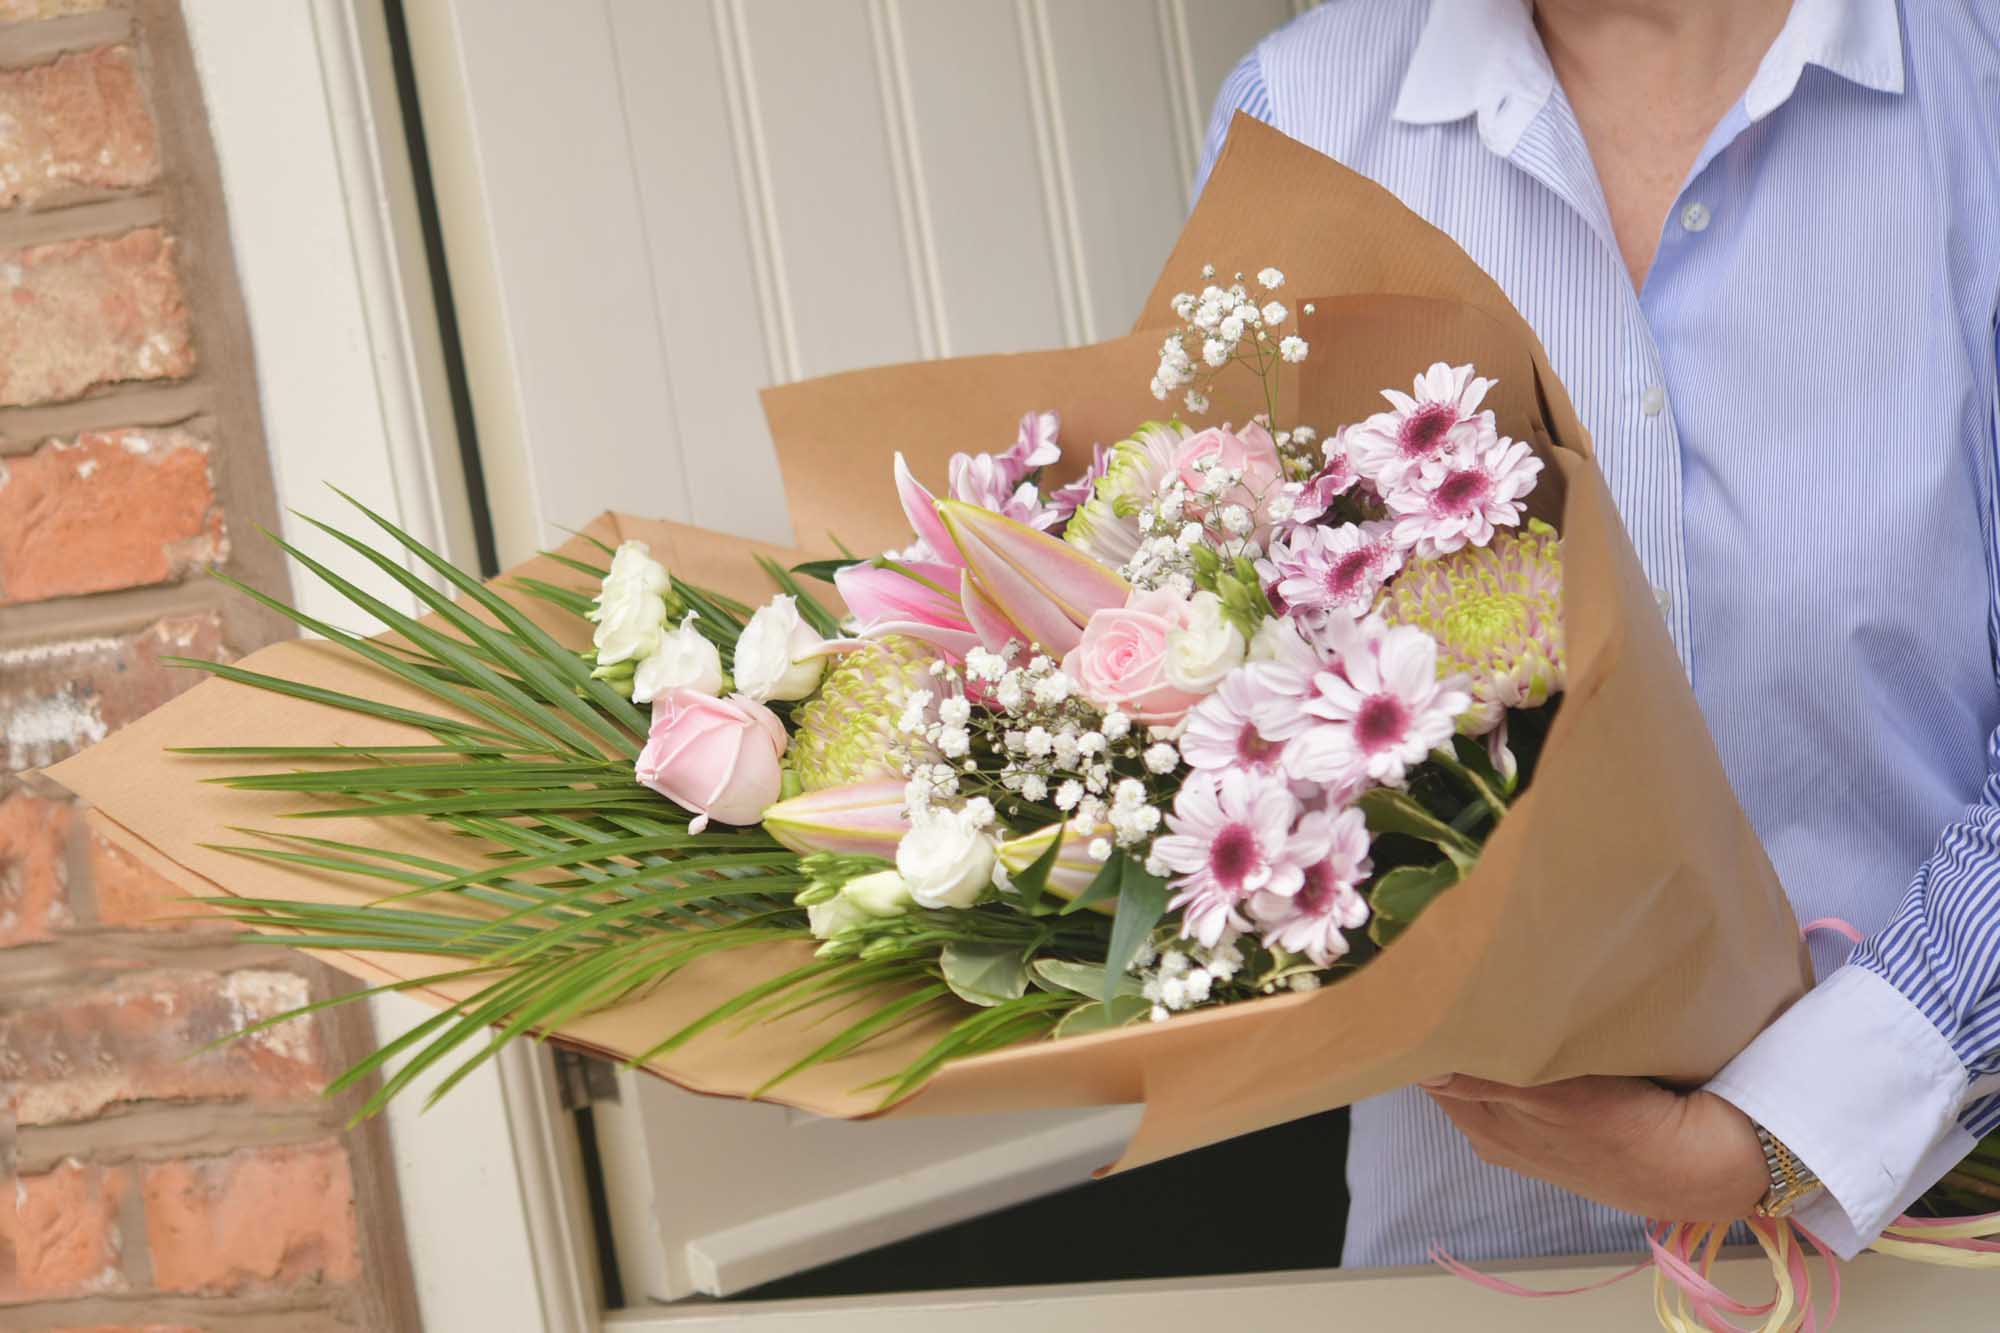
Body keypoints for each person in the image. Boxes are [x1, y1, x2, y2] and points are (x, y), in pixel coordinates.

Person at [1195, 0, 2000, 1268]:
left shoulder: (1976, 93)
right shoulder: (1299, 111)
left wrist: (1797, 1126)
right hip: (1472, 1248)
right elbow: (1225, 643)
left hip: (1933, 1234)